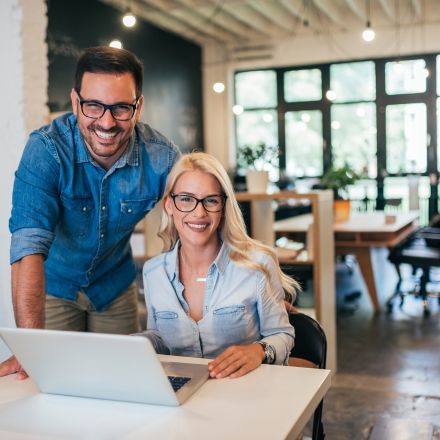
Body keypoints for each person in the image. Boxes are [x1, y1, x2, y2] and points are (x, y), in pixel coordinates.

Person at [1, 46, 179, 379]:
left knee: (123, 385)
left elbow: (202, 221)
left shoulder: (161, 158)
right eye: (93, 106)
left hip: (114, 285)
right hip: (53, 288)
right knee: (50, 384)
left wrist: (255, 283)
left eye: (121, 108)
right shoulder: (46, 150)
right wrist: (30, 347)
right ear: (75, 102)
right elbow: (27, 249)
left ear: (138, 106)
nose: (107, 122)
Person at [142, 152, 298, 379]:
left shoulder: (258, 265)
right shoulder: (153, 272)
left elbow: (283, 334)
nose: (199, 212)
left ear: (223, 207)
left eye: (211, 200)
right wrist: (134, 343)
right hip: (182, 395)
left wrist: (258, 351)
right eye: (186, 199)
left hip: (243, 395)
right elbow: (160, 339)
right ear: (169, 205)